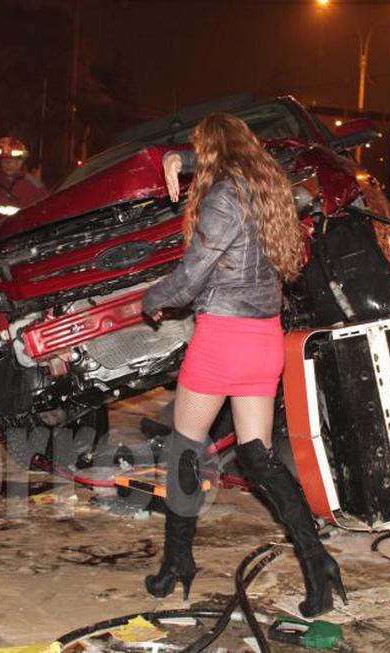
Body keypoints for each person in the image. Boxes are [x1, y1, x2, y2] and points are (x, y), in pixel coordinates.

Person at [141, 113, 346, 618]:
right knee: (257, 457)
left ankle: (177, 563)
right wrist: (177, 158)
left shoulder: (222, 198)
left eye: (197, 150)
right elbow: (236, 155)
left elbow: (190, 280)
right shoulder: (269, 187)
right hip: (263, 339)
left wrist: (151, 299)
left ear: (211, 151)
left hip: (223, 339)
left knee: (185, 451)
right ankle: (318, 563)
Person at [0, 137, 47, 216]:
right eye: (5, 160)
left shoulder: (34, 188)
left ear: (21, 161)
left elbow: (43, 215)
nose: (8, 164)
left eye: (14, 160)